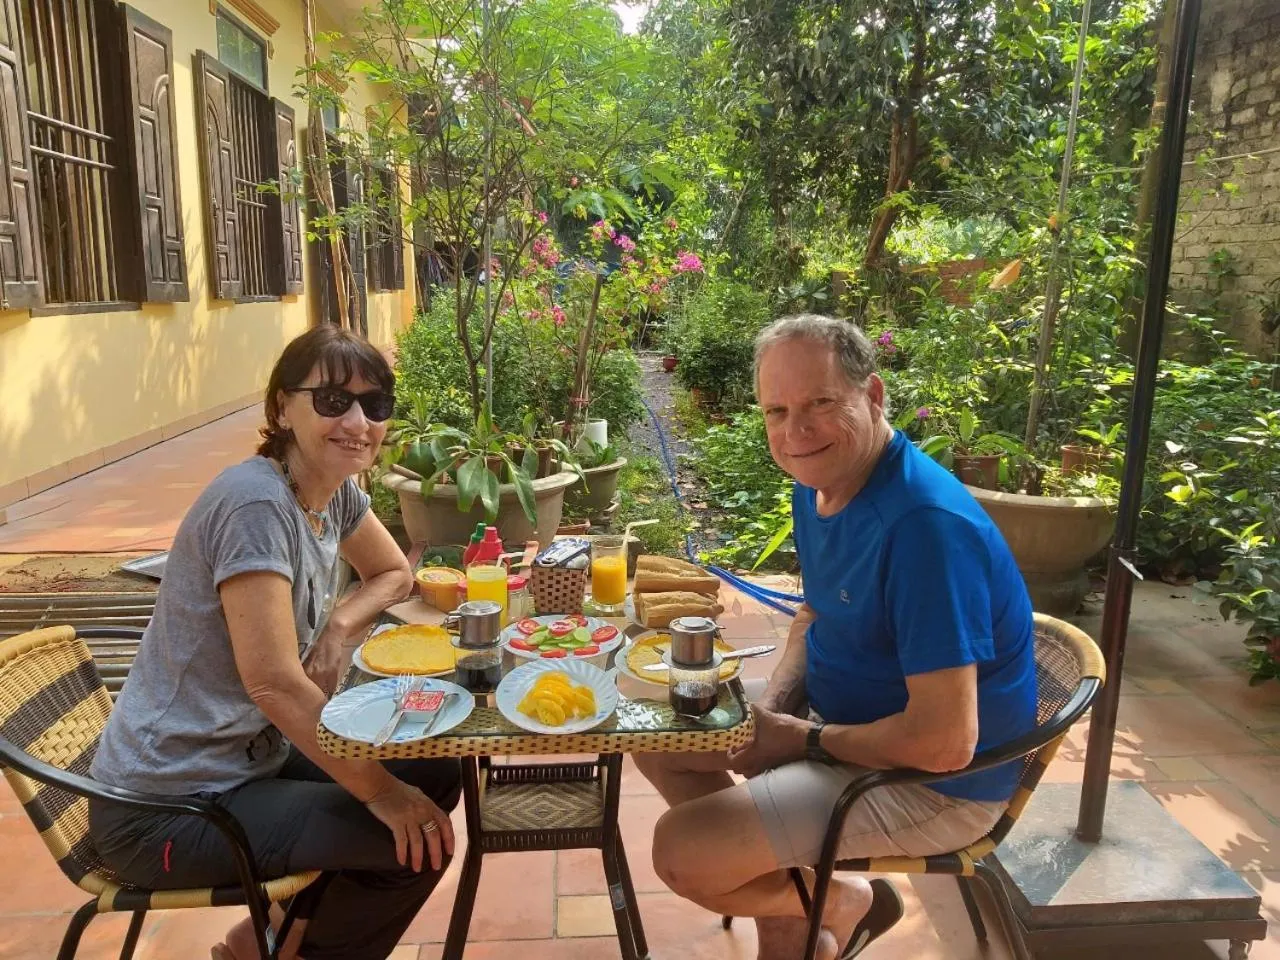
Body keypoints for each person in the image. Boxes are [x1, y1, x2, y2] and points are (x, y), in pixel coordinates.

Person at [634, 314, 1038, 960]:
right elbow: (813, 614)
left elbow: (945, 742)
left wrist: (802, 740)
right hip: (841, 722)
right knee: (657, 731)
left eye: (821, 403)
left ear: (873, 395)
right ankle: (795, 914)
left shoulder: (923, 528)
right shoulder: (820, 483)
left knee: (683, 852)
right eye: (777, 410)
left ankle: (846, 901)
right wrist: (775, 707)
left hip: (934, 783)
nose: (795, 431)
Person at [89, 325, 461, 960]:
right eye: (333, 401)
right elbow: (274, 683)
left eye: (374, 405)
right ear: (283, 407)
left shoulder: (329, 492)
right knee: (412, 839)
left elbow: (393, 573)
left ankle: (261, 941)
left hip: (248, 759)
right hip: (168, 806)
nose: (358, 423)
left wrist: (338, 626)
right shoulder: (255, 506)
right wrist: (380, 793)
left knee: (434, 770)